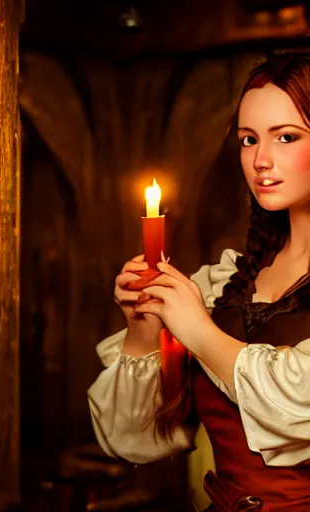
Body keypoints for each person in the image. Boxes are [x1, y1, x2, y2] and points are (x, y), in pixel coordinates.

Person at [88, 53, 310, 512]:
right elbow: (138, 440)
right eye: (248, 140)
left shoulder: (204, 312)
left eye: (286, 137)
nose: (260, 160)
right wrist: (144, 328)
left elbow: (296, 401)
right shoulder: (227, 284)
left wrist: (199, 332)